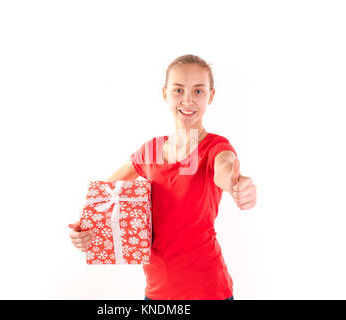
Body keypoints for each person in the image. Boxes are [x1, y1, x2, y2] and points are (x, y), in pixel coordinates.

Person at [69, 54, 257, 300]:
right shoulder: (150, 151)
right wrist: (85, 229)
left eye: (198, 91)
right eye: (178, 90)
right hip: (157, 294)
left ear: (210, 96)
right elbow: (104, 195)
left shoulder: (214, 148)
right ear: (165, 94)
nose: (187, 99)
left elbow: (225, 169)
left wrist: (236, 185)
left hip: (208, 292)